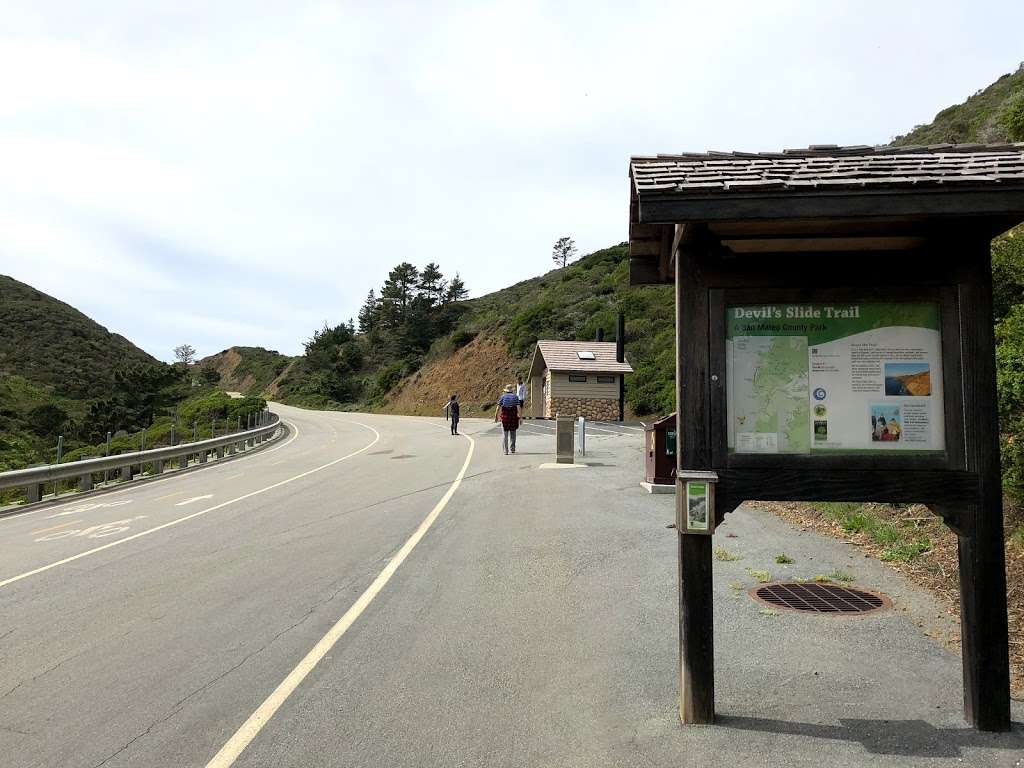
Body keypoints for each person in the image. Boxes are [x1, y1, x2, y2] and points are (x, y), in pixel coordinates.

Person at [494, 384, 522, 455]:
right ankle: (512, 449)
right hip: (513, 418)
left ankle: (506, 451)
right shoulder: (516, 397)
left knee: (505, 435)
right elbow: (518, 408)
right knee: (513, 434)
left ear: (506, 391)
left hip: (505, 418)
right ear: (512, 391)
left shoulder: (503, 397)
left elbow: (498, 408)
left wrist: (496, 416)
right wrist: (520, 418)